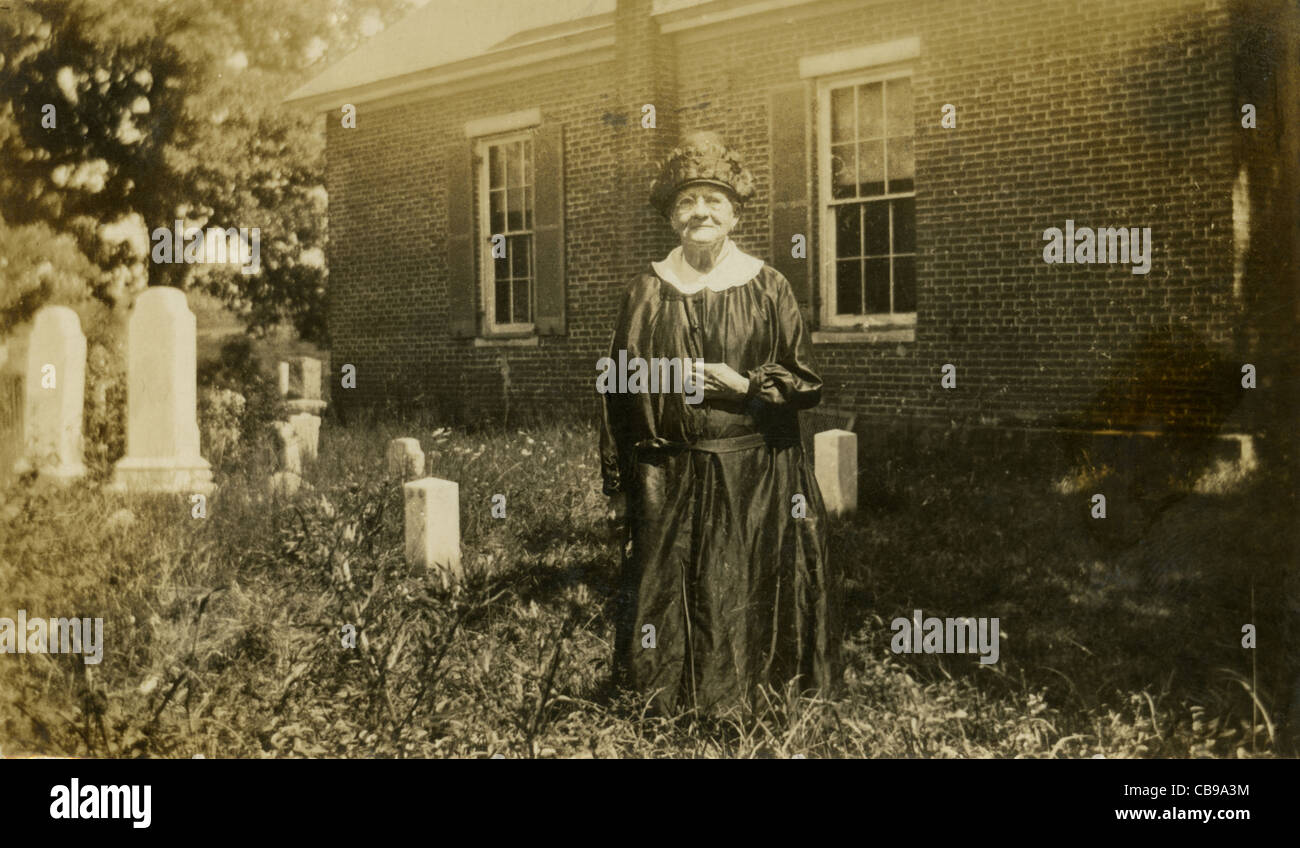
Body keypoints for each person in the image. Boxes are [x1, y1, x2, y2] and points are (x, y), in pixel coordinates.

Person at [599, 131, 843, 715]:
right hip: (669, 468)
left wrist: (746, 385)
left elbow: (803, 380)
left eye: (713, 200)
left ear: (734, 213)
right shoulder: (646, 290)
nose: (700, 213)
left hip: (754, 471)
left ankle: (748, 707)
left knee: (742, 586)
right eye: (687, 202)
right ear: (672, 216)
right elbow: (615, 386)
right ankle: (661, 708)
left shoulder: (768, 286)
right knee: (667, 586)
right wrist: (621, 476)